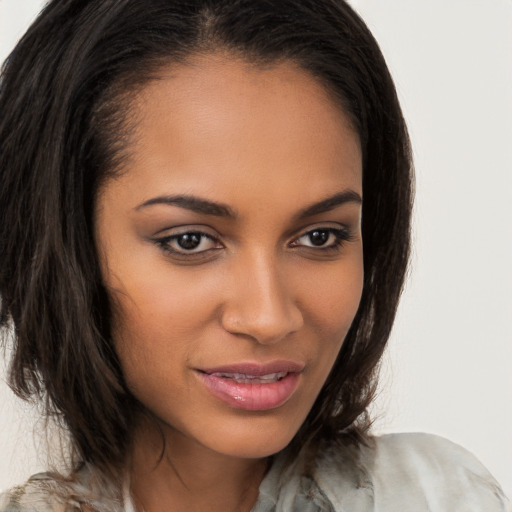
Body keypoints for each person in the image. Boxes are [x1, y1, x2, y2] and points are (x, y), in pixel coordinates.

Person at [0, 0, 508, 511]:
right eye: (190, 240)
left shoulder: (434, 497)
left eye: (320, 237)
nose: (269, 319)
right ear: (67, 243)